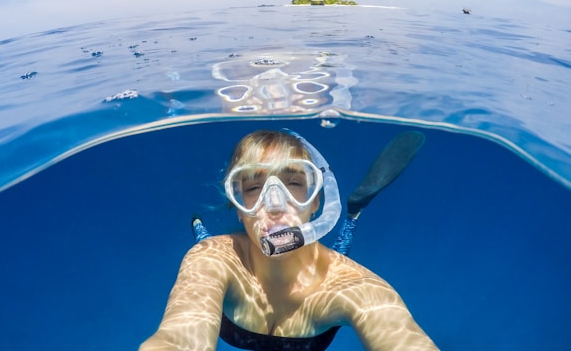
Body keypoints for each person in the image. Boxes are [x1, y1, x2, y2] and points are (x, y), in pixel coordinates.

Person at [139, 129, 438, 350]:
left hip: (327, 266)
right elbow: (176, 338)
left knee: (342, 246)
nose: (275, 205)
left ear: (318, 203)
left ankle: (353, 212)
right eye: (254, 188)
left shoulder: (354, 286)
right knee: (203, 243)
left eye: (294, 183)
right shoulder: (212, 260)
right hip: (223, 249)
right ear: (238, 208)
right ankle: (199, 225)